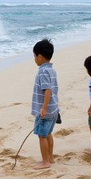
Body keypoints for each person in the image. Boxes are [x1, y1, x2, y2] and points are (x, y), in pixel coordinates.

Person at [31, 39, 59, 169]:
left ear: (40, 57)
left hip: (46, 111)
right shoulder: (51, 70)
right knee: (48, 133)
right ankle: (50, 158)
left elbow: (47, 90)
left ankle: (45, 161)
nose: (34, 59)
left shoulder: (42, 71)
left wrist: (43, 108)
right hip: (54, 109)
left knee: (42, 136)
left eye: (34, 56)